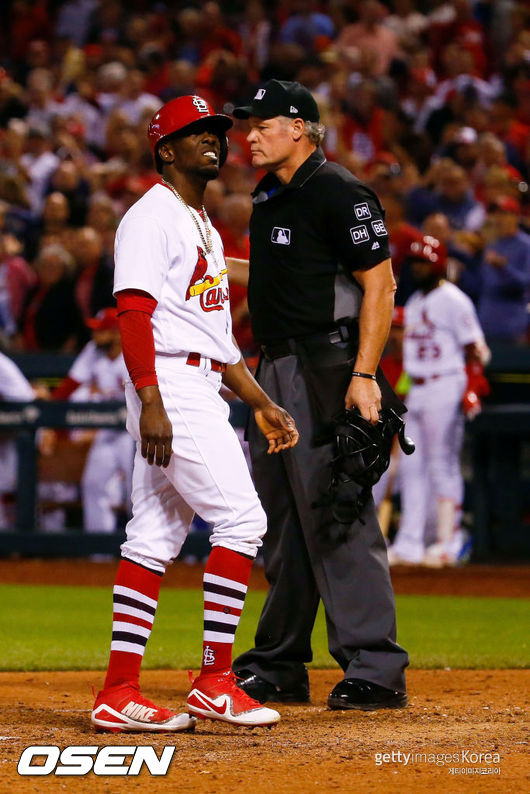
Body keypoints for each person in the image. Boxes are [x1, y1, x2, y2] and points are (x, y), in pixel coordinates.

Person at [90, 95, 299, 734]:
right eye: (194, 133)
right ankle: (214, 679)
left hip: (198, 380)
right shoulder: (152, 216)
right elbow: (133, 311)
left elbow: (218, 341)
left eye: (215, 131)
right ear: (165, 150)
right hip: (170, 385)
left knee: (153, 537)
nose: (212, 140)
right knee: (242, 519)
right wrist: (151, 400)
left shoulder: (200, 220)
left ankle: (118, 690)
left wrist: (259, 401)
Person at [230, 79, 409, 711]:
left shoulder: (337, 188)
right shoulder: (270, 196)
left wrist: (364, 375)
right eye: (246, 125)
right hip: (273, 369)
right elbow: (287, 271)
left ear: (300, 126)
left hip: (327, 366)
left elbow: (380, 285)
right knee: (281, 520)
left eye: (261, 124)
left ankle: (375, 665)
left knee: (337, 511)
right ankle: (279, 662)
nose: (248, 135)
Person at [388, 236, 490, 567]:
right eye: (415, 263)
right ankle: (410, 544)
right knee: (412, 466)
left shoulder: (454, 300)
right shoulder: (416, 301)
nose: (419, 269)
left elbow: (478, 349)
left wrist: (472, 385)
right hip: (418, 387)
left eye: (424, 263)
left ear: (439, 264)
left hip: (445, 382)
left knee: (443, 464)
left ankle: (449, 542)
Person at [51, 308, 133, 534]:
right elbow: (71, 384)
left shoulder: (135, 348)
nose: (95, 336)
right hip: (106, 432)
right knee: (94, 484)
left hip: (133, 432)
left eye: (101, 331)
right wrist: (47, 407)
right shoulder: (93, 350)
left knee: (136, 493)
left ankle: (144, 551)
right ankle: (99, 555)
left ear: (117, 333)